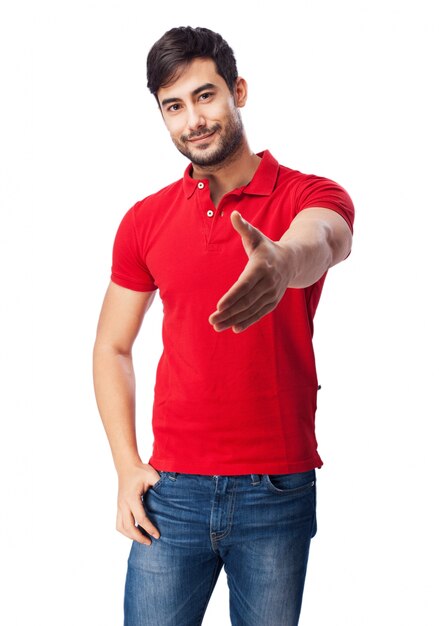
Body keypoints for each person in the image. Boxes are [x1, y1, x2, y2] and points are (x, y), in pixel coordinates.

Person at [93, 25, 355, 626]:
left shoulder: (308, 194)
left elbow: (324, 237)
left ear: (238, 90)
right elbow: (112, 346)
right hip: (172, 491)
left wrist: (284, 260)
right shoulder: (145, 219)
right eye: (174, 106)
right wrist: (127, 466)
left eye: (206, 96)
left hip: (276, 490)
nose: (194, 120)